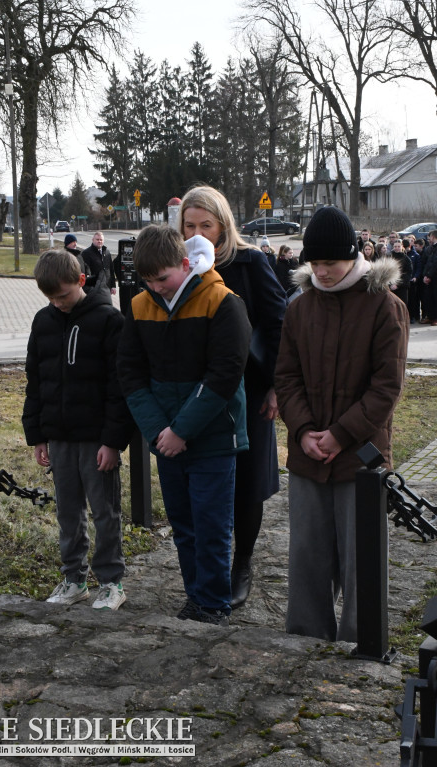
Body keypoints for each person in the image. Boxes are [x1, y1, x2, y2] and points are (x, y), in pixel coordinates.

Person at [275, 206, 409, 642]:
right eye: (314, 264)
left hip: (361, 459)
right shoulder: (299, 308)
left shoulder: (385, 308)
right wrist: (303, 431)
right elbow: (287, 378)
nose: (322, 272)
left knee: (360, 559)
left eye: (330, 263)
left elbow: (386, 388)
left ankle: (361, 640)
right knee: (308, 557)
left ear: (353, 257)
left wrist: (339, 434)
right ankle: (306, 637)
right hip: (308, 454)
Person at [117, 226, 252, 626]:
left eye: (163, 278)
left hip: (212, 438)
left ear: (185, 262)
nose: (157, 288)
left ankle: (212, 605)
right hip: (166, 440)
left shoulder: (223, 302)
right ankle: (196, 597)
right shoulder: (140, 306)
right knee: (184, 526)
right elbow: (130, 374)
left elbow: (223, 377)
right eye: (147, 281)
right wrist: (159, 432)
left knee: (211, 527)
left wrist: (181, 431)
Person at [178, 185, 287, 609]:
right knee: (207, 484)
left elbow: (279, 323)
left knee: (246, 485)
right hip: (200, 391)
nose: (198, 232)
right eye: (190, 225)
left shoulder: (250, 262)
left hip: (251, 390)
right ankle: (212, 564)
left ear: (223, 225)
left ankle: (242, 562)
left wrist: (277, 384)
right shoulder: (183, 265)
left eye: (206, 224)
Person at [22, 249, 133, 609]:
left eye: (64, 295)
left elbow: (120, 387)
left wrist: (113, 442)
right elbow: (35, 381)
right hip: (59, 436)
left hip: (98, 439)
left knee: (105, 511)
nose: (59, 303)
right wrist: (37, 434)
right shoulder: (43, 322)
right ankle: (73, 579)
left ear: (81, 281)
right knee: (68, 511)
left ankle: (111, 582)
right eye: (51, 298)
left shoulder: (108, 321)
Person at [390, 238, 412, 307]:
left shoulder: (406, 259)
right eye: (395, 246)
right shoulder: (389, 257)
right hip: (391, 286)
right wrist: (390, 284)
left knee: (402, 306)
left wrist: (397, 284)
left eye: (398, 246)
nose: (397, 248)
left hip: (402, 287)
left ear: (402, 247)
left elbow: (408, 274)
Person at [422, 230, 437, 325]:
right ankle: (430, 316)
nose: (429, 239)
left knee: (436, 298)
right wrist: (425, 275)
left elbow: (436, 263)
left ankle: (436, 318)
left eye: (430, 237)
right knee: (429, 298)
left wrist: (429, 275)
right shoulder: (430, 248)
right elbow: (427, 263)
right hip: (429, 277)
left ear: (433, 237)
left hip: (435, 277)